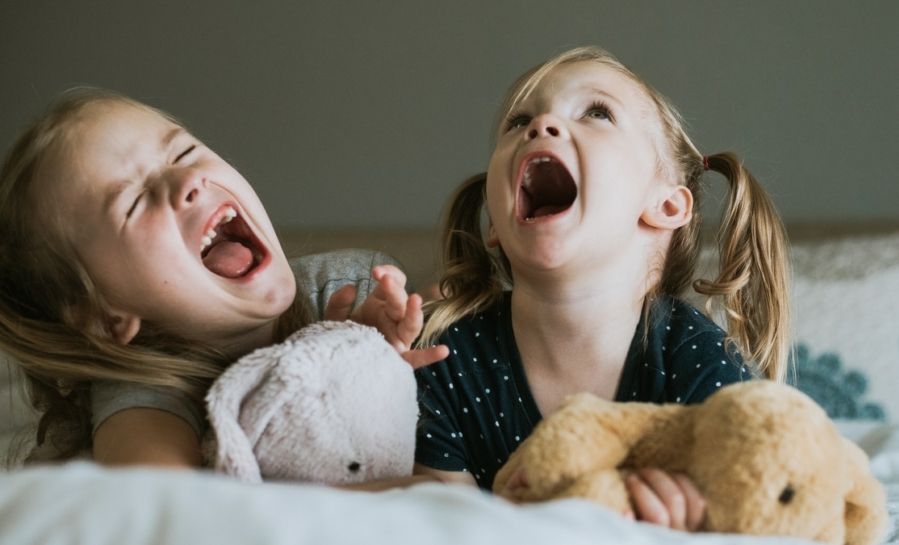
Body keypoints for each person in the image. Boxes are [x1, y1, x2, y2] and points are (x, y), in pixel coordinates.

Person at [413, 46, 791, 530]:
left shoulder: (694, 357)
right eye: (518, 121)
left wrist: (698, 522)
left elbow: (763, 504)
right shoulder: (443, 355)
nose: (542, 124)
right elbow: (440, 524)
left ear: (668, 206)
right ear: (494, 225)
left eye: (596, 112)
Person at [0, 89, 447, 490]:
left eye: (185, 152)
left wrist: (368, 354)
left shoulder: (350, 285)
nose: (187, 180)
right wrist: (394, 498)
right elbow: (175, 513)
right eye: (135, 202)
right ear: (105, 314)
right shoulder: (144, 391)